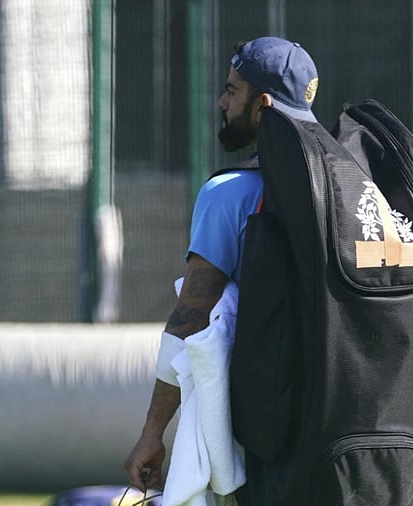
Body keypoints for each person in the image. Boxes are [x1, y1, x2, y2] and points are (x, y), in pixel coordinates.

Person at [123, 37, 319, 503]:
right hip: (342, 428)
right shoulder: (352, 184)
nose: (221, 102)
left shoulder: (229, 192)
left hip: (259, 433)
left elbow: (192, 316)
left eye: (232, 91)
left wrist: (153, 431)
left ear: (262, 105)